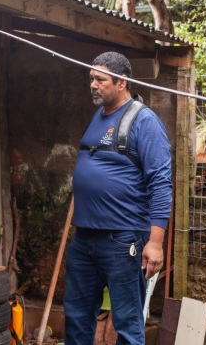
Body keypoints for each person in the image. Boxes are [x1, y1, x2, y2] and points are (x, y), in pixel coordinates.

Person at [64, 51, 173, 344]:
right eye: (91, 79)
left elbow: (161, 184)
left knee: (126, 321)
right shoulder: (97, 116)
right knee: (76, 316)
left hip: (123, 239)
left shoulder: (144, 121)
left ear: (122, 81)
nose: (93, 85)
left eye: (100, 80)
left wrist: (156, 242)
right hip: (85, 237)